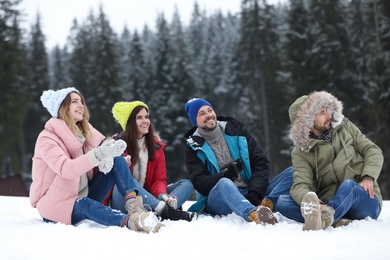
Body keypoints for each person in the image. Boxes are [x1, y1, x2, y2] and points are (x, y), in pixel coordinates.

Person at [30, 87, 163, 233]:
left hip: (84, 193)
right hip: (55, 206)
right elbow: (66, 169)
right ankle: (131, 221)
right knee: (84, 204)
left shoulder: (85, 132)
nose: (81, 105)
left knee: (117, 161)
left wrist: (114, 159)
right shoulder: (47, 138)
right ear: (62, 107)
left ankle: (135, 208)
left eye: (82, 101)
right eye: (74, 101)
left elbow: (104, 149)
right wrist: (99, 155)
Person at [277, 91, 383, 231]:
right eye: (322, 113)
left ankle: (325, 219)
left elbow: (373, 150)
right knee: (283, 202)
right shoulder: (301, 153)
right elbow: (300, 185)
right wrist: (318, 204)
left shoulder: (344, 126)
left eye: (327, 110)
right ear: (307, 122)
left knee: (349, 186)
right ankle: (334, 217)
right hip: (331, 202)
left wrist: (368, 177)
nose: (328, 116)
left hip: (363, 198)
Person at [183, 98, 294, 225]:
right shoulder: (193, 148)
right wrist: (225, 175)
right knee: (224, 182)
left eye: (210, 110)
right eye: (201, 113)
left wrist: (255, 192)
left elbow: (261, 162)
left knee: (293, 172)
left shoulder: (236, 131)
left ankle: (267, 205)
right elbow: (199, 182)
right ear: (195, 121)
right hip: (220, 198)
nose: (208, 115)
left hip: (251, 191)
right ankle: (253, 214)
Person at [110, 101, 197, 222]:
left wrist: (162, 195)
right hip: (124, 199)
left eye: (146, 117)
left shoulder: (156, 147)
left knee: (186, 185)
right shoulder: (116, 145)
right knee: (128, 180)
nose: (145, 121)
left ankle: (162, 210)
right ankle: (166, 211)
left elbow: (159, 179)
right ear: (129, 122)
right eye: (139, 118)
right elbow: (118, 180)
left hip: (149, 198)